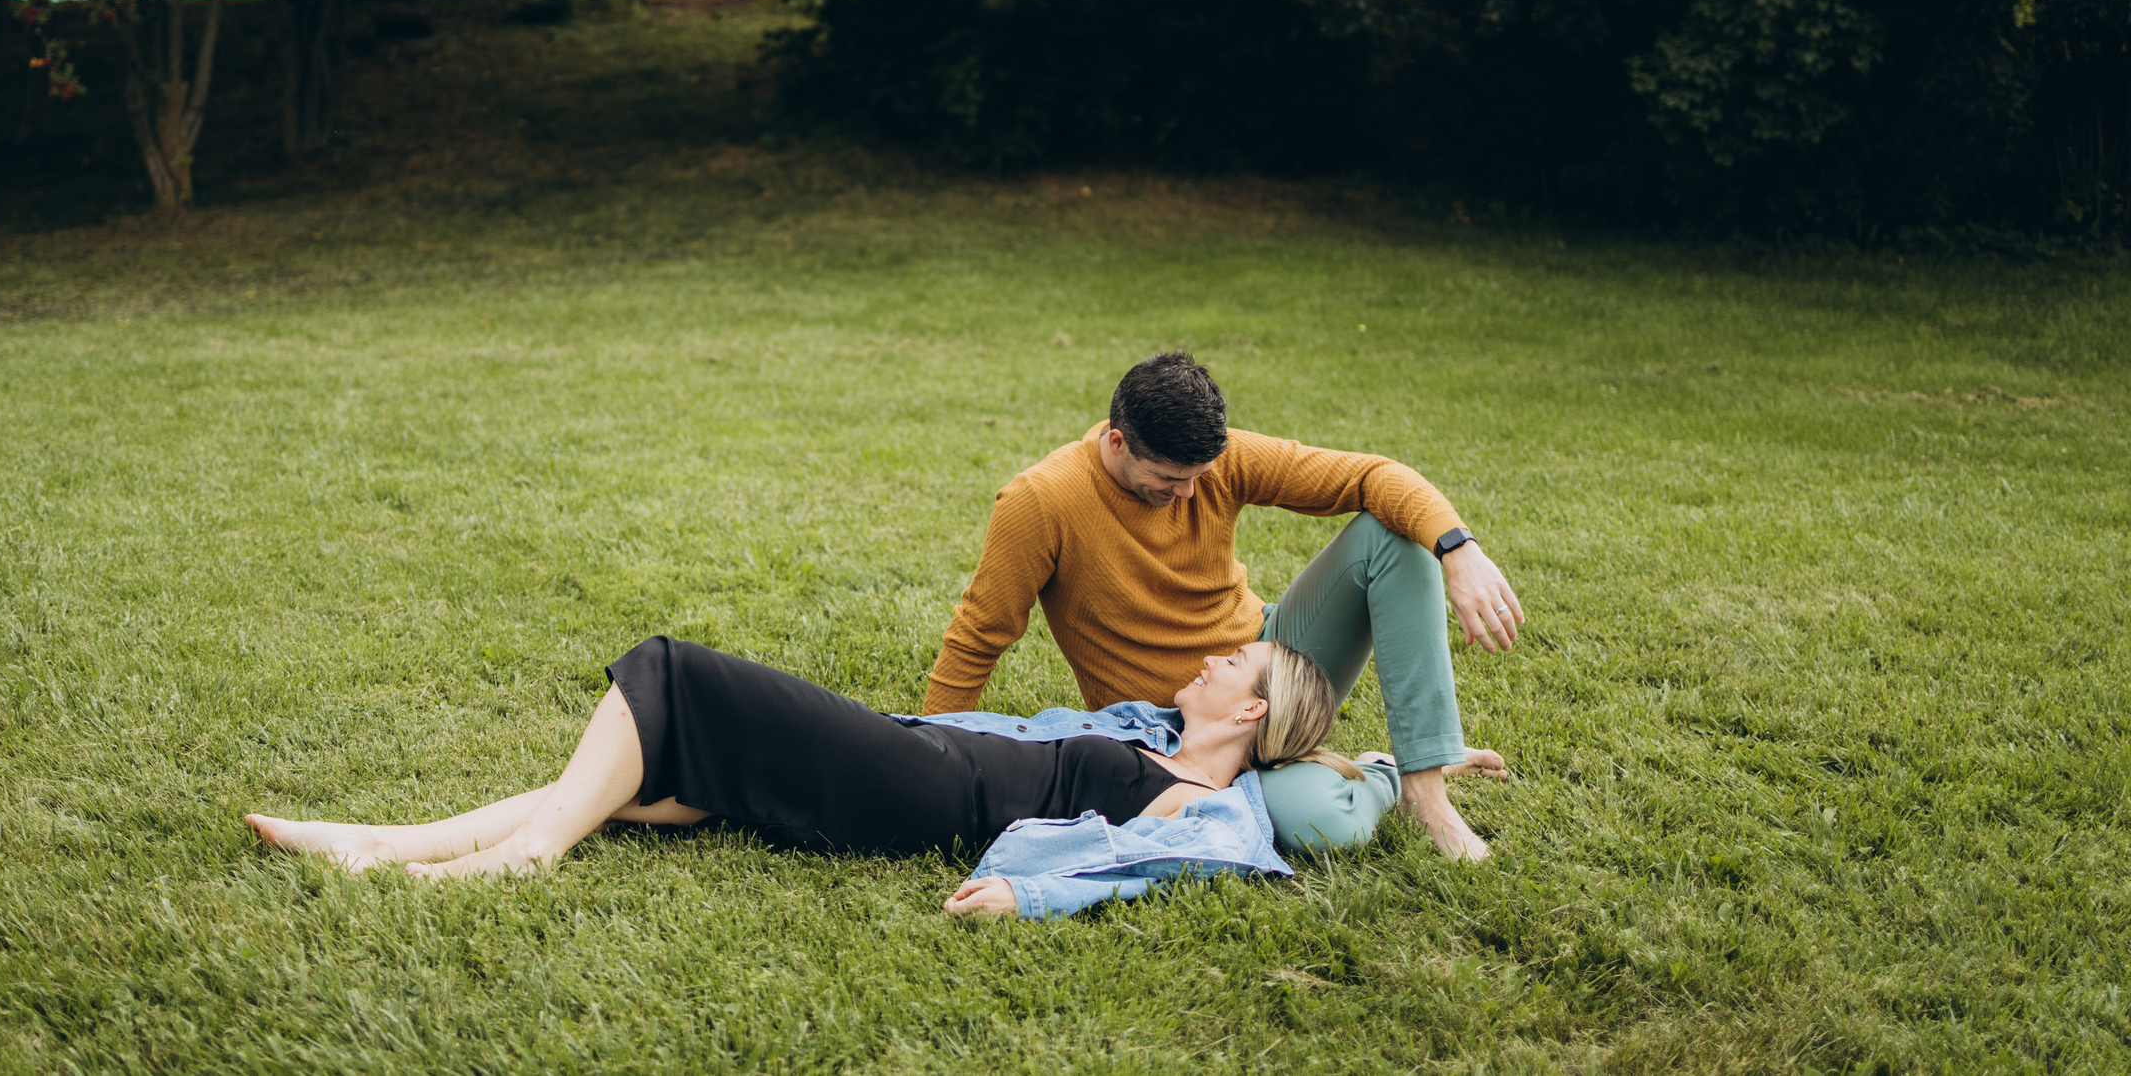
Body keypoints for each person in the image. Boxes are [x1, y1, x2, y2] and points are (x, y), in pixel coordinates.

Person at [246, 634, 1506, 918]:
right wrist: (1394, 762)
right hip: (910, 759)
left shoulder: (1203, 798)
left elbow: (1152, 862)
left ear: (1253, 708)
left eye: (1234, 657)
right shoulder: (1147, 733)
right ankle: (386, 840)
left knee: (672, 672)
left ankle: (521, 857)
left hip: (920, 789)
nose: (1212, 653)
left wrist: (1029, 895)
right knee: (662, 770)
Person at [924, 351, 1522, 858]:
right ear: (1116, 441)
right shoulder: (1041, 501)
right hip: (1173, 732)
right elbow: (980, 636)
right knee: (1320, 822)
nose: (1188, 493)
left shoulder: (1222, 462)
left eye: (1199, 475)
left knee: (1395, 536)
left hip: (1268, 667)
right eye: (1169, 478)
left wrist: (1459, 549)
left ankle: (1426, 790)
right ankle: (1382, 770)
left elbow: (1372, 476)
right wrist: (934, 752)